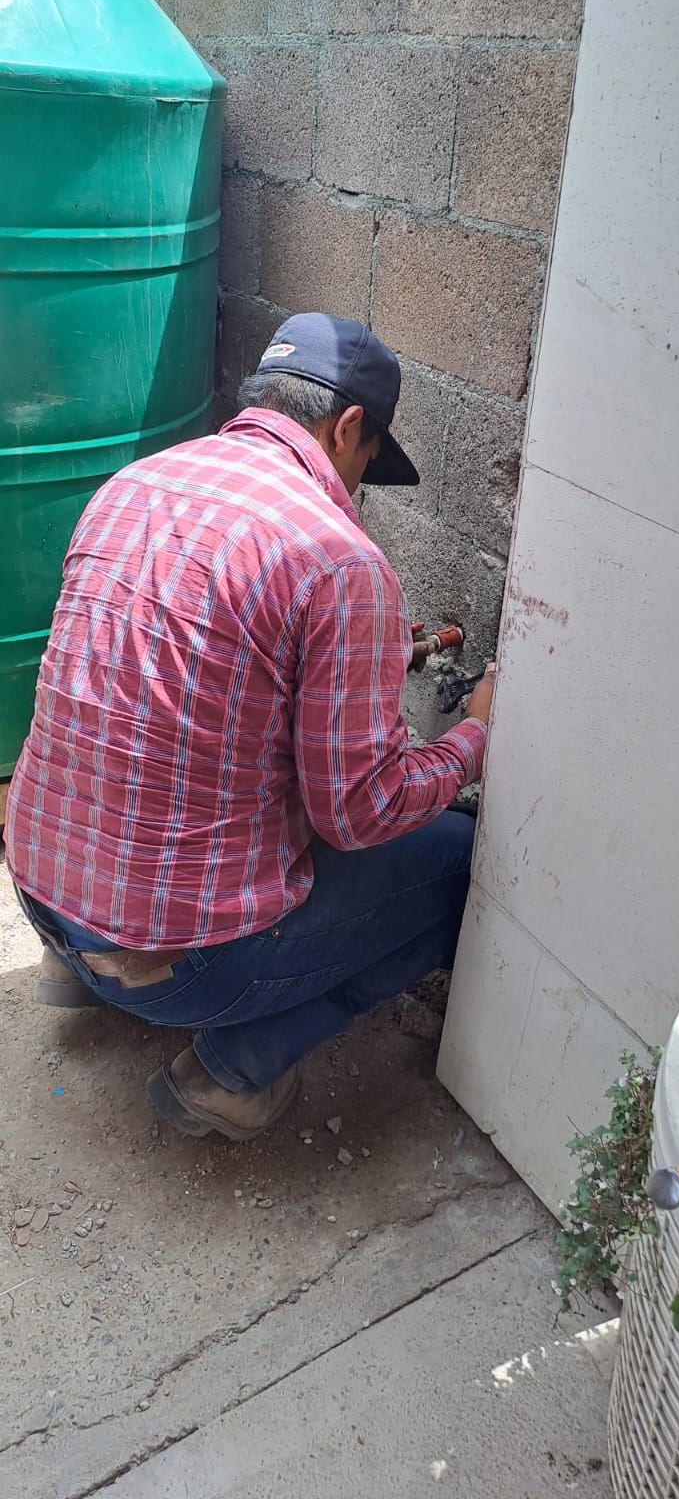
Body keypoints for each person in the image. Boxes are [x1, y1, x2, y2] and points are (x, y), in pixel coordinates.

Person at [5, 313, 495, 1141]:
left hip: (34, 887)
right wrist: (472, 739)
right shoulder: (340, 559)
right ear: (348, 427)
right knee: (462, 873)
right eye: (367, 461)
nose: (358, 484)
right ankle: (233, 1072)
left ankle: (76, 963)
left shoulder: (133, 485)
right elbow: (357, 812)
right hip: (175, 966)